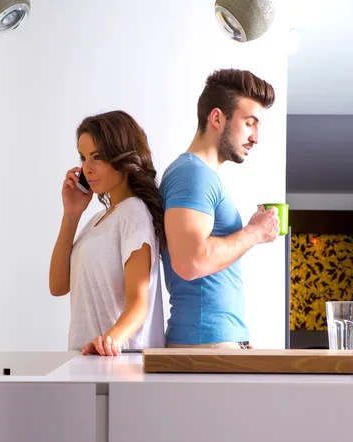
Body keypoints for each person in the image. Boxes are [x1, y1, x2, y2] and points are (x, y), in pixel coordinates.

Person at [160, 68, 280, 349]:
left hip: (214, 343)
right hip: (206, 344)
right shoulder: (192, 174)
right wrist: (254, 233)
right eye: (250, 123)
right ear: (217, 118)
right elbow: (190, 262)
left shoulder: (199, 175)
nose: (256, 137)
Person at [49, 110, 165, 356]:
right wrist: (71, 215)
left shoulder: (133, 213)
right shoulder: (97, 220)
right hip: (87, 359)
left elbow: (138, 303)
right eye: (82, 158)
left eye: (97, 157)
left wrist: (109, 341)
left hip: (115, 361)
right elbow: (58, 286)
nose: (86, 168)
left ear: (120, 156)